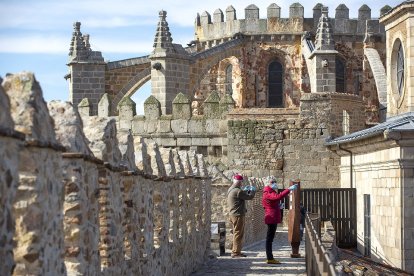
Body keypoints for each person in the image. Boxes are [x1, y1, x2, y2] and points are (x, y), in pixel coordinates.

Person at [262, 178, 298, 264]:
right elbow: (277, 197)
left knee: (270, 238)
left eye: (274, 182)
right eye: (272, 182)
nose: (274, 183)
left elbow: (269, 203)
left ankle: (270, 257)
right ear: (267, 184)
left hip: (272, 216)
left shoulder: (270, 191)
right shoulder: (267, 192)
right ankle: (270, 258)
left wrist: (277, 206)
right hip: (271, 217)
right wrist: (288, 189)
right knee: (269, 239)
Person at [227, 174, 256, 258]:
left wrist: (244, 190)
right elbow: (249, 197)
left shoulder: (231, 189)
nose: (242, 184)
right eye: (241, 182)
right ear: (239, 182)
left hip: (233, 214)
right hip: (238, 214)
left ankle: (237, 251)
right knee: (238, 233)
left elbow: (241, 195)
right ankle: (235, 252)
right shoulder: (238, 191)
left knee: (236, 233)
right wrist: (253, 191)